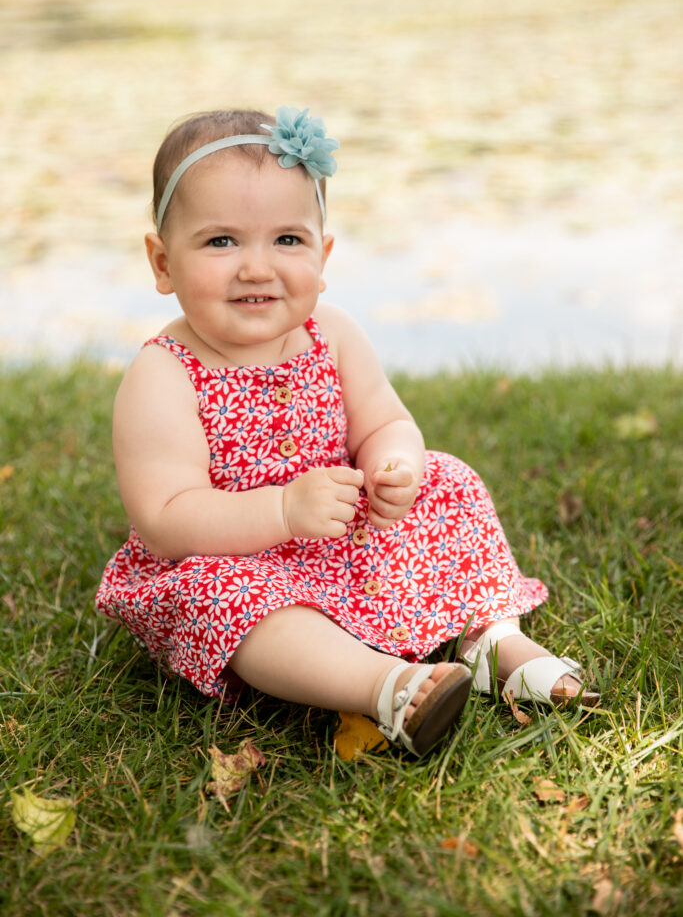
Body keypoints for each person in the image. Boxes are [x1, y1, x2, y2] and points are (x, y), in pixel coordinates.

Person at [96, 106, 599, 757]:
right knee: (219, 595)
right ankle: (386, 686)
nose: (256, 267)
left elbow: (385, 420)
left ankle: (491, 639)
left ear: (322, 253)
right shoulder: (163, 375)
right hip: (235, 562)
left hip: (340, 540)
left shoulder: (330, 333)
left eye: (287, 240)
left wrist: (396, 463)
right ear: (162, 263)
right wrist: (280, 509)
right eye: (221, 241)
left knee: (447, 479)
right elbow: (165, 518)